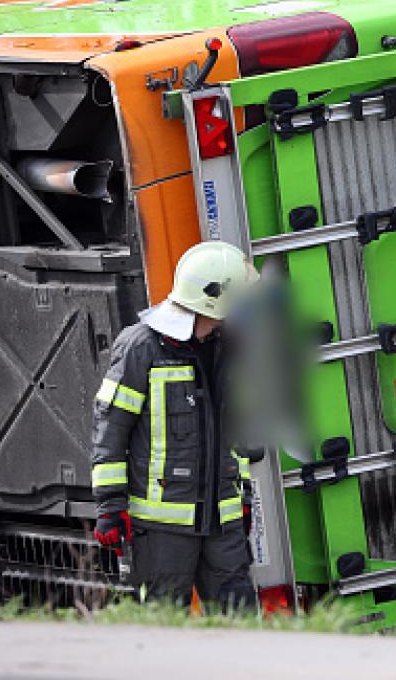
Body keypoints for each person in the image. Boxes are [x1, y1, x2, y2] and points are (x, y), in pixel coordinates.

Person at [91, 240, 259, 610]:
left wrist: (242, 498)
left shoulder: (230, 349)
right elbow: (110, 431)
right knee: (164, 631)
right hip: (162, 532)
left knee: (244, 626)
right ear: (214, 299)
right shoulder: (141, 348)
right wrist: (110, 508)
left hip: (222, 524)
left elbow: (239, 435)